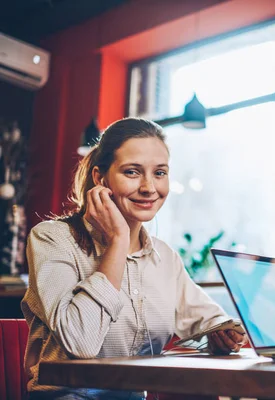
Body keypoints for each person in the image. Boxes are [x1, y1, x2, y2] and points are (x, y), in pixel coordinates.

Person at [22, 118, 247, 399]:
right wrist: (118, 241)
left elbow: (213, 322)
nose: (149, 187)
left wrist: (220, 337)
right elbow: (80, 342)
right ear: (100, 178)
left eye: (160, 173)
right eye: (132, 172)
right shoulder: (52, 239)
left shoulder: (164, 257)